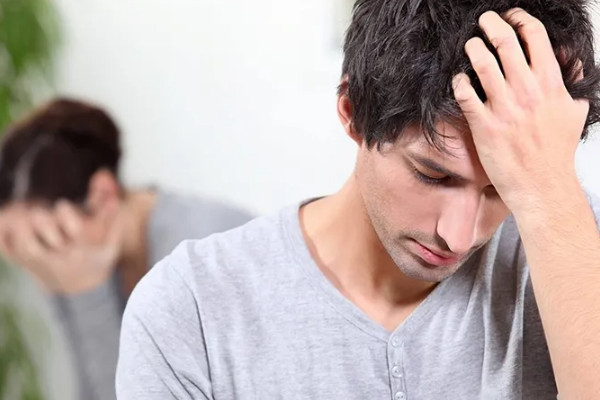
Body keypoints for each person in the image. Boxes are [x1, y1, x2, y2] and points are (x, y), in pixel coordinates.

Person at [116, 0, 600, 399]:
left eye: (500, 190)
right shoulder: (193, 309)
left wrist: (545, 188)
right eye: (432, 175)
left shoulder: (577, 244)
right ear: (353, 112)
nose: (458, 236)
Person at [0, 98, 252, 400]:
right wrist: (59, 291)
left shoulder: (203, 251)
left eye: (43, 239)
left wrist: (87, 294)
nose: (32, 256)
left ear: (103, 196)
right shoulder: (94, 259)